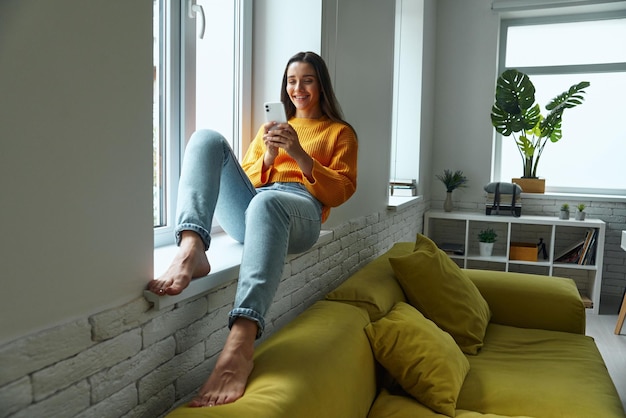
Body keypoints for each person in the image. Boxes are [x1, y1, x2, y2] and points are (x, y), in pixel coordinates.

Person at [147, 51, 357, 407]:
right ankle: (192, 246)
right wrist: (271, 158)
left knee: (268, 202)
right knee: (206, 140)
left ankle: (241, 341)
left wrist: (301, 155)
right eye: (292, 80)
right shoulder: (269, 130)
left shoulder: (339, 132)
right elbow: (248, 175)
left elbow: (341, 191)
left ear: (321, 85)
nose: (298, 88)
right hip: (257, 206)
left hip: (300, 211)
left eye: (307, 79)